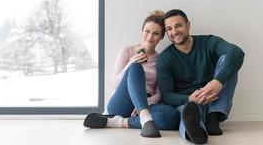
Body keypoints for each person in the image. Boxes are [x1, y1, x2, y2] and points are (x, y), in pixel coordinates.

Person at [83, 10, 180, 137]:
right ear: (142, 31)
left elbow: (159, 94)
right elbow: (115, 84)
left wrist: (143, 105)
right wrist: (131, 63)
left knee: (173, 116)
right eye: (147, 31)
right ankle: (145, 117)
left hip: (146, 102)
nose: (150, 37)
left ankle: (118, 122)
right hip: (122, 102)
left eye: (156, 33)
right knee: (135, 67)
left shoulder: (162, 60)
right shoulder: (127, 51)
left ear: (161, 37)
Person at [156, 9, 245, 144]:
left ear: (188, 25)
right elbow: (167, 95)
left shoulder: (208, 42)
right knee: (187, 114)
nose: (174, 31)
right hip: (189, 102)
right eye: (169, 29)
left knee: (229, 59)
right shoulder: (164, 58)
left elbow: (237, 52)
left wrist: (218, 81)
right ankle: (198, 133)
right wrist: (189, 98)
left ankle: (213, 116)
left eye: (178, 25)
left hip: (214, 97)